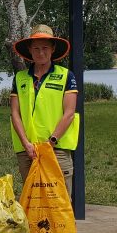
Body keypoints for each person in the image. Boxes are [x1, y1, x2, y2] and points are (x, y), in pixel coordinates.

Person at [10, 25, 79, 196]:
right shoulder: (20, 78)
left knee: (59, 199)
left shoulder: (66, 76)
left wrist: (51, 141)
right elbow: (15, 113)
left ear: (53, 49)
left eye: (45, 48)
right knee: (32, 199)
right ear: (30, 50)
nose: (41, 52)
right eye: (36, 48)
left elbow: (69, 112)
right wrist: (26, 143)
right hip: (28, 149)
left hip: (57, 147)